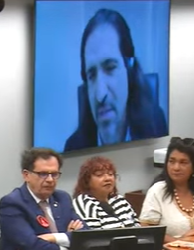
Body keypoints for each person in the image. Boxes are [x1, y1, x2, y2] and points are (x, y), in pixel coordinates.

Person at [63, 8, 167, 152]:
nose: (100, 94)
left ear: (129, 68)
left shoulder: (155, 125)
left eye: (110, 68)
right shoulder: (73, 147)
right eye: (91, 75)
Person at [0, 148, 84, 250]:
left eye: (54, 174)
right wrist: (68, 246)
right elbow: (32, 247)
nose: (50, 180)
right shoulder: (12, 203)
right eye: (43, 174)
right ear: (26, 175)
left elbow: (86, 236)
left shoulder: (62, 198)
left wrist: (53, 238)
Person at [140, 137, 194, 243]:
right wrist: (179, 241)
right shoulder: (157, 191)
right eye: (171, 161)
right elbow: (148, 230)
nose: (176, 167)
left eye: (183, 162)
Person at [72, 156, 140, 229]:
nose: (107, 179)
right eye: (99, 175)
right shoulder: (85, 204)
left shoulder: (120, 200)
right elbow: (93, 235)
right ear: (86, 180)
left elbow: (138, 227)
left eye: (110, 174)